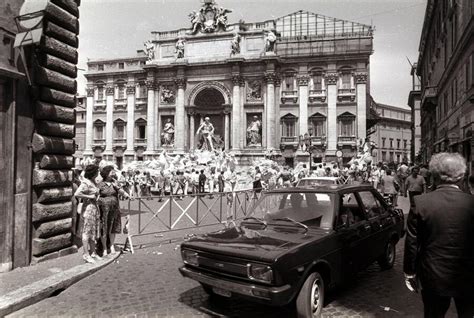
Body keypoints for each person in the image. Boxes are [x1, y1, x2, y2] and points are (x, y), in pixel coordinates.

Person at [403, 152, 474, 317]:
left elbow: (412, 242)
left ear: (434, 176)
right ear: (462, 176)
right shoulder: (472, 203)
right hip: (468, 274)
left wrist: (410, 272)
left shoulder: (421, 203)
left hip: (433, 275)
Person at [97, 166, 130, 257]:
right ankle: (104, 248)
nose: (114, 173)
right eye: (112, 172)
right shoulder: (100, 184)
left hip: (114, 209)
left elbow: (122, 192)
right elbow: (96, 195)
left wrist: (128, 196)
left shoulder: (114, 183)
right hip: (103, 211)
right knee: (104, 228)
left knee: (113, 228)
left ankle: (111, 246)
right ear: (106, 173)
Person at [74, 165, 101, 263]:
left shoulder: (94, 182)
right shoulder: (86, 183)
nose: (98, 173)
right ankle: (86, 254)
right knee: (87, 232)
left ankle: (93, 253)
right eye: (97, 171)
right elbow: (77, 194)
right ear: (93, 172)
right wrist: (89, 196)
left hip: (94, 209)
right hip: (88, 210)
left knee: (93, 231)